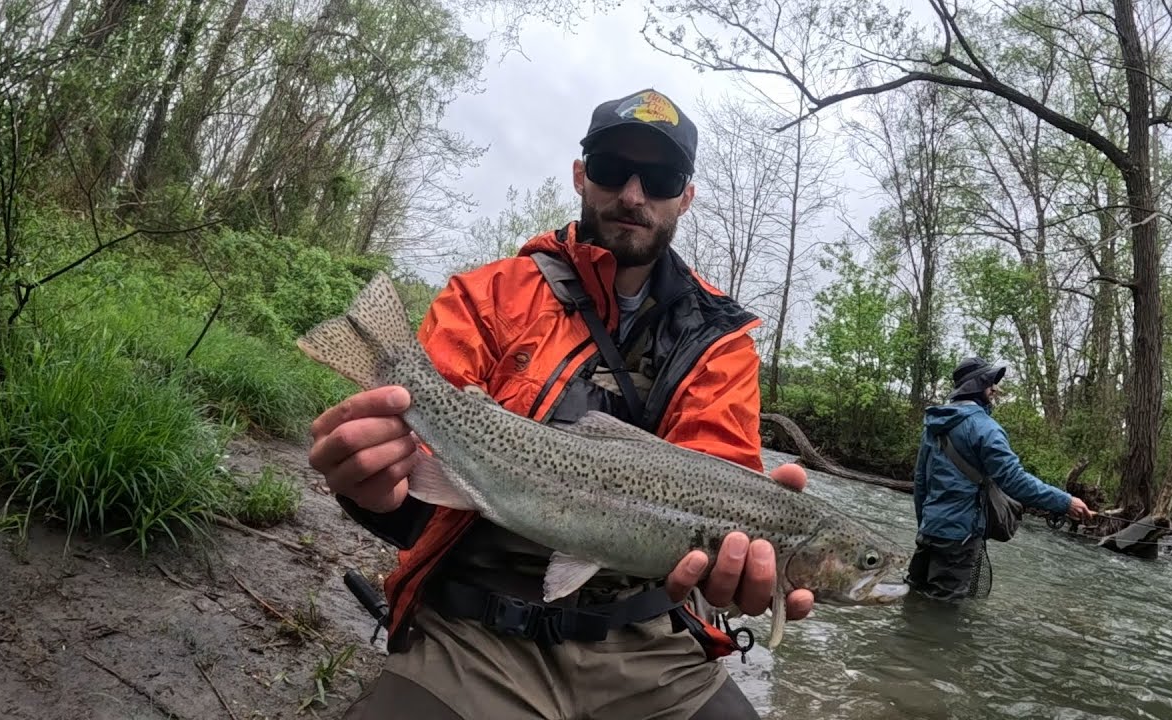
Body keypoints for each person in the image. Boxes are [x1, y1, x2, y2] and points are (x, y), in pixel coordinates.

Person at [308, 88, 814, 719]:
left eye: (658, 177)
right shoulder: (492, 295)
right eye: (610, 170)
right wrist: (373, 491)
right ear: (581, 176)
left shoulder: (720, 342)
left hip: (651, 646)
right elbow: (413, 486)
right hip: (477, 631)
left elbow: (711, 482)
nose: (632, 194)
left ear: (684, 197)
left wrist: (732, 574)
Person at [908, 356, 1093, 601]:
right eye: (990, 384)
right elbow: (1015, 481)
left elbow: (921, 482)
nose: (994, 389)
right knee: (943, 614)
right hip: (959, 537)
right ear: (980, 387)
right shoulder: (986, 429)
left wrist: (927, 524)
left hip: (929, 530)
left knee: (915, 600)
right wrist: (1065, 502)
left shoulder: (933, 425)